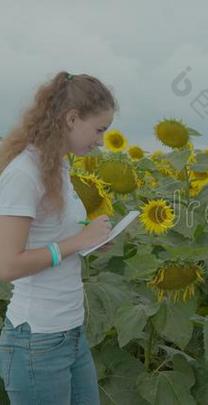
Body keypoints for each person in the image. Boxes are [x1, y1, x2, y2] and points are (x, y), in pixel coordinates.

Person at [0, 71, 116, 404]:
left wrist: (90, 241)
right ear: (71, 118)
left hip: (71, 333)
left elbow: (51, 242)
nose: (101, 141)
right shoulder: (24, 174)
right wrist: (77, 242)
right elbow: (7, 265)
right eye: (99, 130)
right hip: (36, 342)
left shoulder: (59, 169)